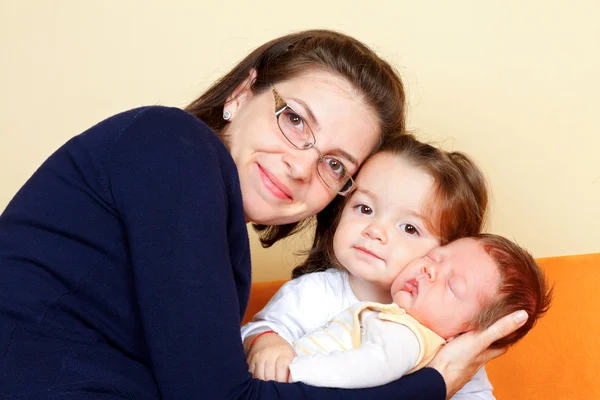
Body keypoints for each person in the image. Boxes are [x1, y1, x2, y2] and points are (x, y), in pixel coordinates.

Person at [0, 30, 527, 400]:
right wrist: (437, 382)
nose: (301, 166)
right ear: (239, 94)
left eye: (334, 164)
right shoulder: (175, 146)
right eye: (294, 119)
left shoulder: (209, 222)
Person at [242, 135, 498, 399]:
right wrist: (266, 342)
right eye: (364, 208)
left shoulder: (445, 330)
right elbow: (261, 328)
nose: (375, 231)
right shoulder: (316, 292)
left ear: (446, 252)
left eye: (409, 228)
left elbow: (472, 389)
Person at [287, 234, 552, 388]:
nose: (430, 270)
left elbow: (363, 369)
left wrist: (292, 371)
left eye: (452, 285)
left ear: (465, 335)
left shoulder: (409, 337)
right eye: (435, 257)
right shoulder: (396, 319)